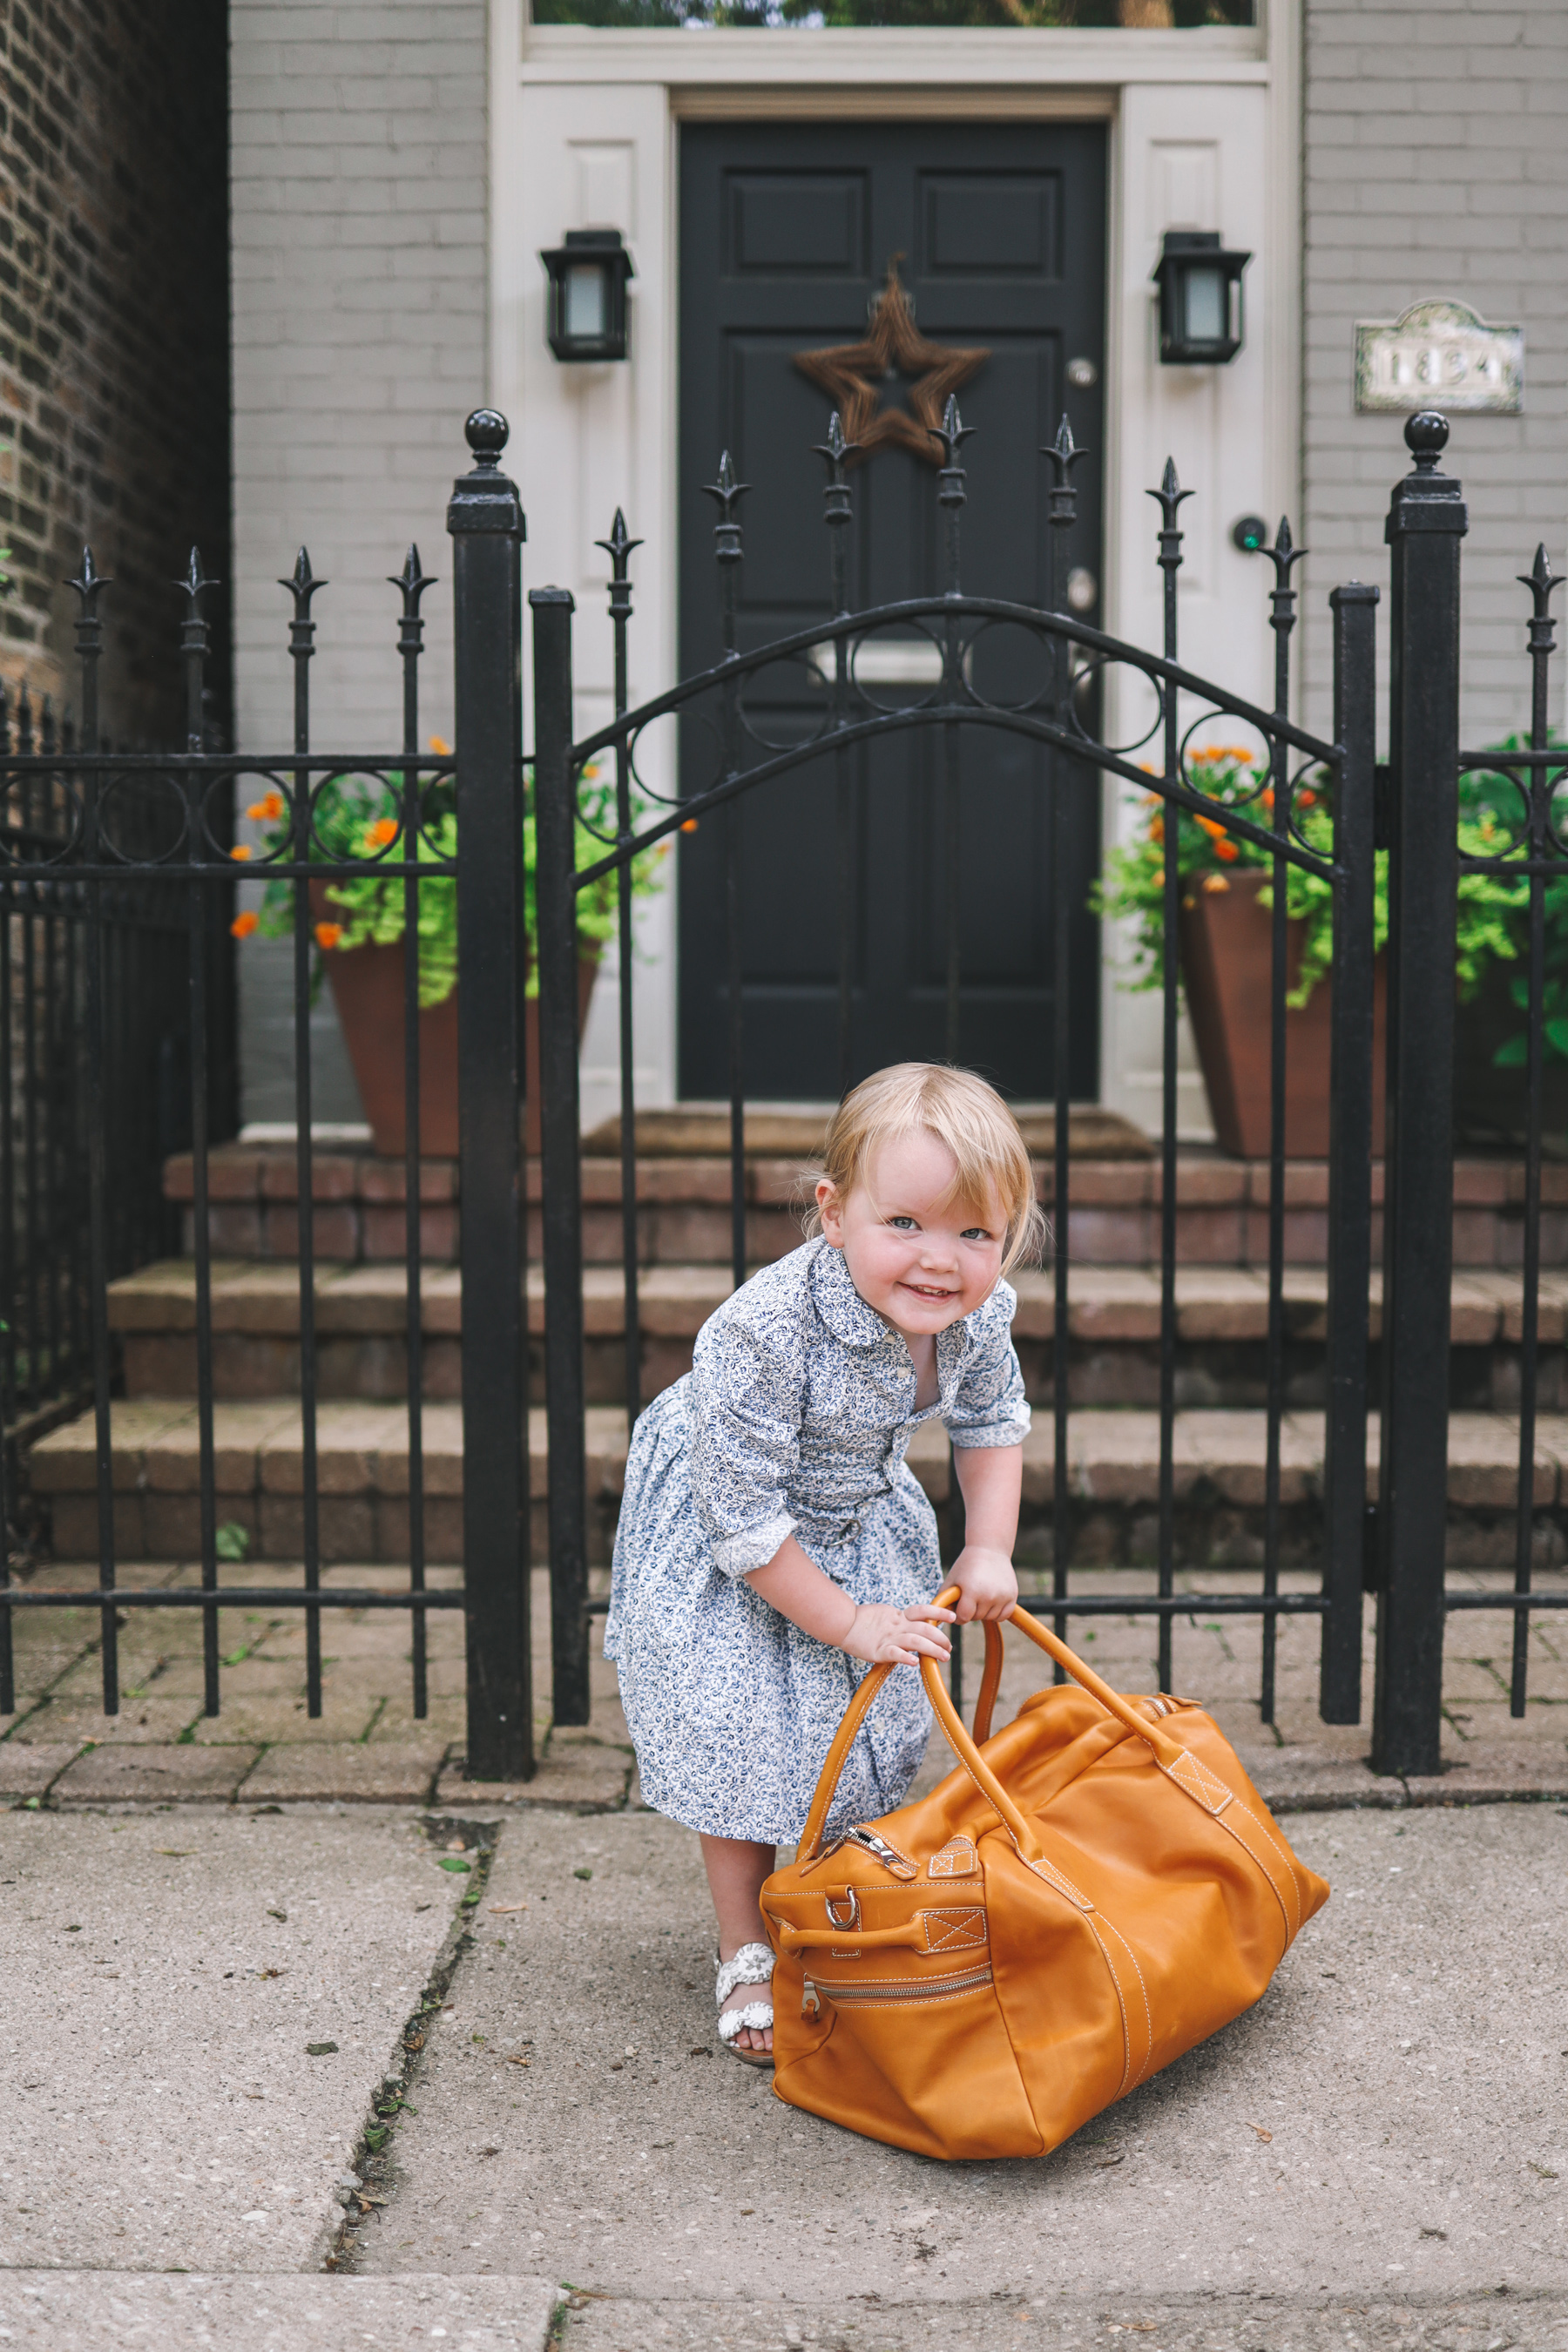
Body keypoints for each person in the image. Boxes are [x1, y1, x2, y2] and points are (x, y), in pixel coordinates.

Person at [603, 1062, 1042, 2064]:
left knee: (865, 1723)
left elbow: (990, 1424)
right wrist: (848, 1620)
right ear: (834, 1213)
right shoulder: (760, 1334)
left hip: (855, 1506)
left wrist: (988, 1545)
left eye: (977, 1233)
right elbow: (745, 1521)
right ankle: (745, 1944)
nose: (943, 1261)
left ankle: (839, 1905)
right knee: (742, 1727)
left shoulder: (979, 1314)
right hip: (734, 1522)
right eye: (908, 1226)